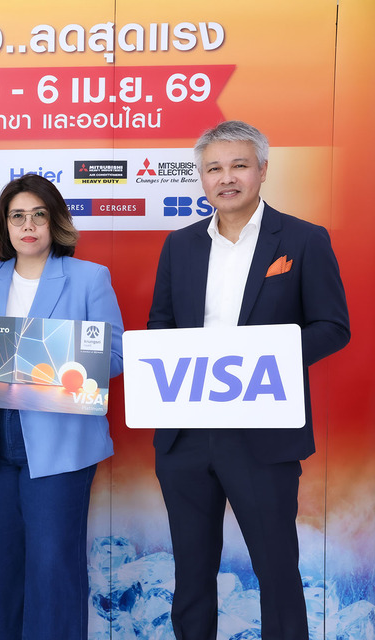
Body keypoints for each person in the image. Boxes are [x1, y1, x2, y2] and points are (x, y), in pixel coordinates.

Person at [147, 120, 350, 640]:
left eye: (239, 165)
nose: (226, 178)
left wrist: (261, 358)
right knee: (191, 575)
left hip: (264, 435)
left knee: (276, 572)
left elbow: (333, 327)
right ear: (201, 177)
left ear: (262, 170)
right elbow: (160, 327)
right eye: (213, 168)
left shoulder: (304, 239)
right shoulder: (180, 245)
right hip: (186, 435)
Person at [0, 174, 124, 640]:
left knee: (53, 566)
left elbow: (116, 356)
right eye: (18, 216)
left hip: (60, 445)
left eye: (38, 215)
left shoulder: (89, 277)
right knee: (1, 565)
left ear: (54, 221)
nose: (28, 226)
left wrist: (37, 360)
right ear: (4, 225)